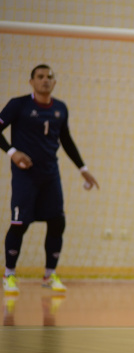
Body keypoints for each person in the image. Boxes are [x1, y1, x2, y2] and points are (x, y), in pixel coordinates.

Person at [0, 64, 99, 295]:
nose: (45, 80)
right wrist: (13, 153)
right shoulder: (19, 104)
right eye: (40, 76)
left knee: (57, 222)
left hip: (50, 175)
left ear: (54, 82)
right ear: (31, 81)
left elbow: (66, 139)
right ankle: (9, 275)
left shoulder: (60, 109)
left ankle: (49, 274)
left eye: (49, 77)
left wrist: (83, 168)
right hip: (26, 175)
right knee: (19, 224)